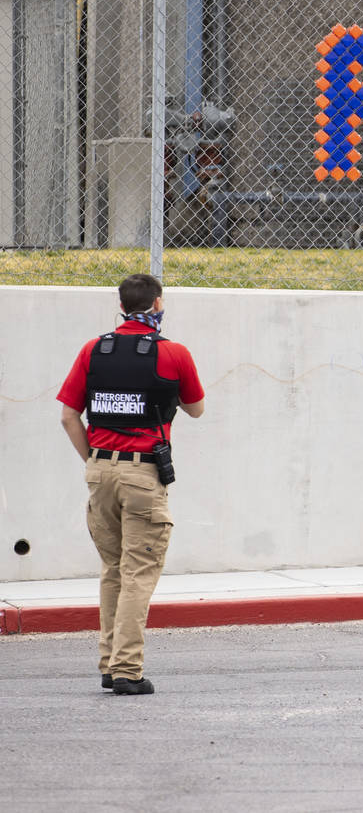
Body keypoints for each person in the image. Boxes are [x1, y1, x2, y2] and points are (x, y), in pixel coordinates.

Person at [57, 274, 205, 694]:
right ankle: (126, 670)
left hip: (99, 472)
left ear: (121, 306)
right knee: (139, 572)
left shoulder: (94, 349)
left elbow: (69, 415)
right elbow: (196, 409)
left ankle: (109, 663)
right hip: (142, 475)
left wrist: (95, 461)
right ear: (158, 305)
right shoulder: (172, 353)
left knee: (114, 570)